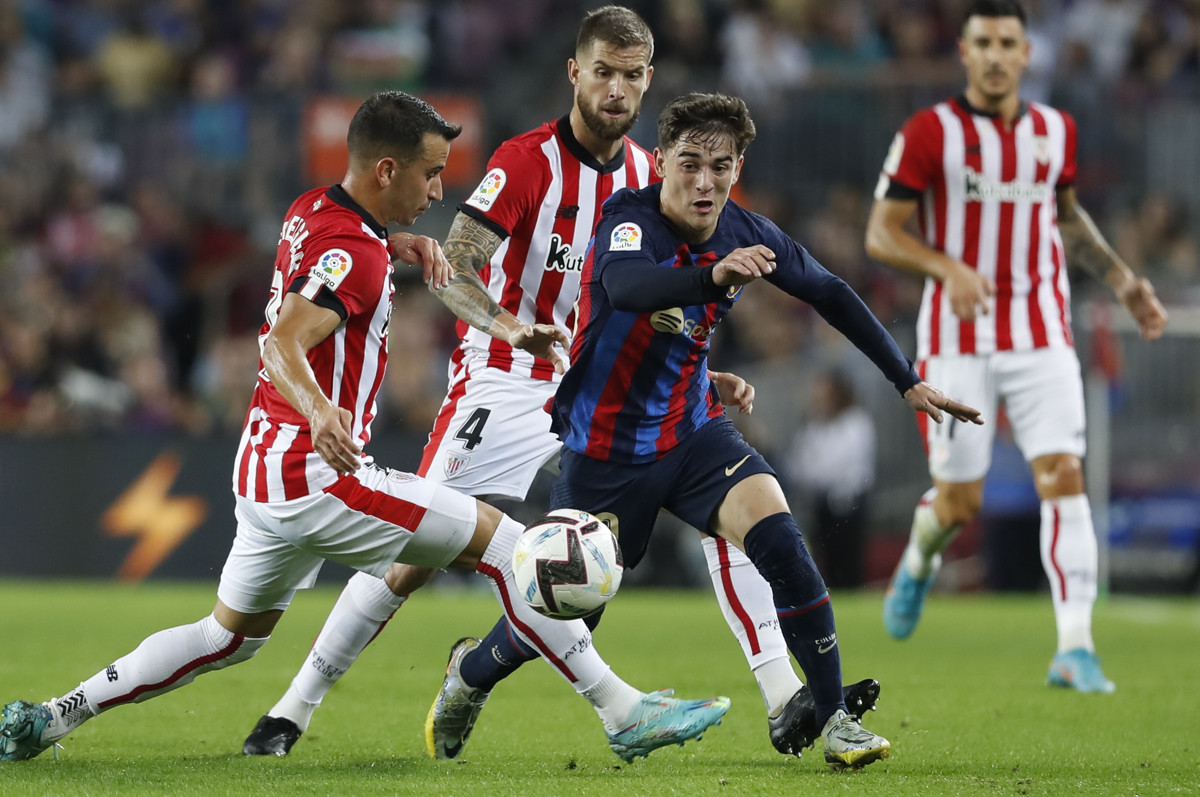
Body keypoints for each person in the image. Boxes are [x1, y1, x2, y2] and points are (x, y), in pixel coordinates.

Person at [0, 90, 730, 763]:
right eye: (431, 173)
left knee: (225, 637)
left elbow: (331, 265)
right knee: (516, 549)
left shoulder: (313, 210)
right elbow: (283, 339)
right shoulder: (357, 256)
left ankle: (55, 714)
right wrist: (322, 411)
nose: (440, 191)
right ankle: (622, 710)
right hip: (321, 473)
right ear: (388, 169)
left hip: (261, 471)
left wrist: (393, 244)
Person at [242, 5, 879, 763]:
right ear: (574, 72)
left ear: (648, 83)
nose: (615, 89)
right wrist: (509, 326)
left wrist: (699, 370)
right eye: (602, 71)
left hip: (600, 386)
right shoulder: (524, 161)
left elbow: (638, 303)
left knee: (723, 507)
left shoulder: (653, 174)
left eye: (631, 75)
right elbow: (458, 266)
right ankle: (293, 708)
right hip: (503, 380)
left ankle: (781, 693)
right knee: (415, 555)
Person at [433, 91, 985, 770]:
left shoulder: (749, 231)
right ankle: (471, 672)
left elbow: (832, 292)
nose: (703, 181)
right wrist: (711, 275)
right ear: (660, 159)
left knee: (781, 537)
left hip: (693, 433)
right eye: (688, 163)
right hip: (605, 449)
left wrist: (907, 380)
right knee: (569, 610)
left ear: (737, 166)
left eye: (719, 166)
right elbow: (630, 286)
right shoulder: (627, 218)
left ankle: (833, 715)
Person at [866, 0, 1168, 693]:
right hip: (955, 341)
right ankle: (918, 560)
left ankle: (1075, 646)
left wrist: (1123, 280)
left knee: (1064, 474)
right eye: (984, 43)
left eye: (1009, 42)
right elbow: (881, 233)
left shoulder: (1054, 130)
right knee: (960, 503)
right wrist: (947, 267)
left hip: (1041, 333)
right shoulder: (927, 133)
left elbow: (1062, 213)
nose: (997, 54)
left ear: (1027, 53)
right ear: (965, 54)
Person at [785, 368, 876, 589]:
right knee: (824, 557)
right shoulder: (813, 427)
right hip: (821, 500)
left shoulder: (855, 422)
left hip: (850, 501)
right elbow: (799, 465)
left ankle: (852, 593)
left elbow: (853, 463)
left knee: (848, 558)